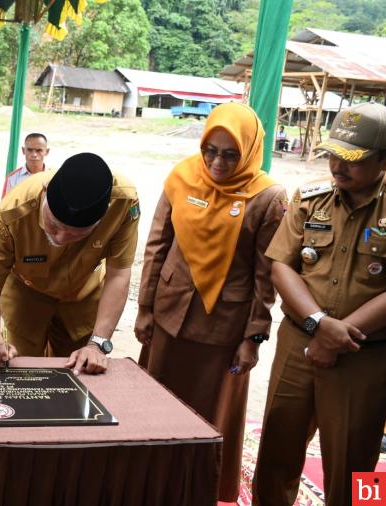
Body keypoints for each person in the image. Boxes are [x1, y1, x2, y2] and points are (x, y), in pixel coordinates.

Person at [134, 102, 286, 502]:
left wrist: (253, 337)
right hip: (170, 316)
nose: (218, 162)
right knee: (155, 404)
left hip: (223, 330)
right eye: (211, 150)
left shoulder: (267, 197)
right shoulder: (183, 176)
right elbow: (157, 245)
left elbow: (265, 274)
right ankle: (150, 482)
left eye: (231, 153)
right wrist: (145, 308)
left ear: (250, 150)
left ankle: (196, 489)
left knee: (208, 417)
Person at [252, 102, 386, 505]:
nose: (337, 167)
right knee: (277, 444)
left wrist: (338, 335)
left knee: (359, 462)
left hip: (365, 354)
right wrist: (319, 324)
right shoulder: (311, 199)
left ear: (383, 159)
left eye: (353, 160)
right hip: (299, 343)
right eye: (333, 155)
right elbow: (281, 265)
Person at [0, 152, 139, 374]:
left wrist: (97, 344)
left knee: (80, 369)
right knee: (20, 369)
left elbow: (119, 274)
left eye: (76, 235)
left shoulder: (123, 203)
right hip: (26, 293)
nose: (60, 239)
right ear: (44, 192)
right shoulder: (12, 212)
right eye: (53, 225)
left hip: (83, 294)